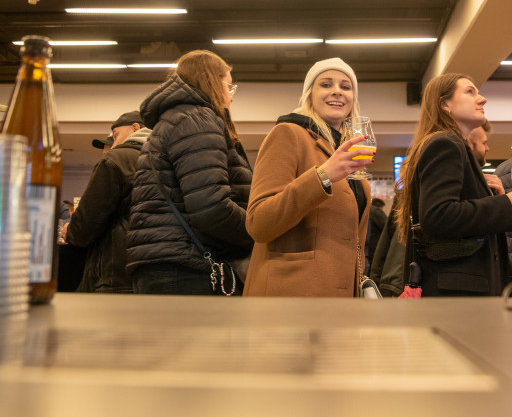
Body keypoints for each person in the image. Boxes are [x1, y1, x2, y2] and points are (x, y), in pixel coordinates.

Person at [243, 57, 373, 297]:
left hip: (340, 300)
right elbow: (258, 223)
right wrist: (322, 176)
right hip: (291, 297)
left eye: (346, 86)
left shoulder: (344, 151)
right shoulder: (288, 133)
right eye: (326, 84)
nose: (337, 91)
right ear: (309, 94)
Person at [127, 50, 253, 295]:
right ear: (212, 82)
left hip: (167, 261)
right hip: (187, 268)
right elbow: (210, 207)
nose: (231, 97)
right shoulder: (197, 120)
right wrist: (257, 231)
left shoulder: (176, 119)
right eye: (229, 86)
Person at [396, 73, 512, 297]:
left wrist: (493, 199)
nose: (482, 99)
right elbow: (438, 216)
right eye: (470, 92)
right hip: (458, 292)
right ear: (445, 104)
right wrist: (505, 203)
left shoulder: (451, 145)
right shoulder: (445, 143)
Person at [63, 111, 151, 292]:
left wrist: (69, 231)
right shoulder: (166, 160)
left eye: (116, 135)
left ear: (135, 128)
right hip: (154, 271)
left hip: (115, 273)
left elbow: (84, 227)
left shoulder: (116, 160)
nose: (113, 144)